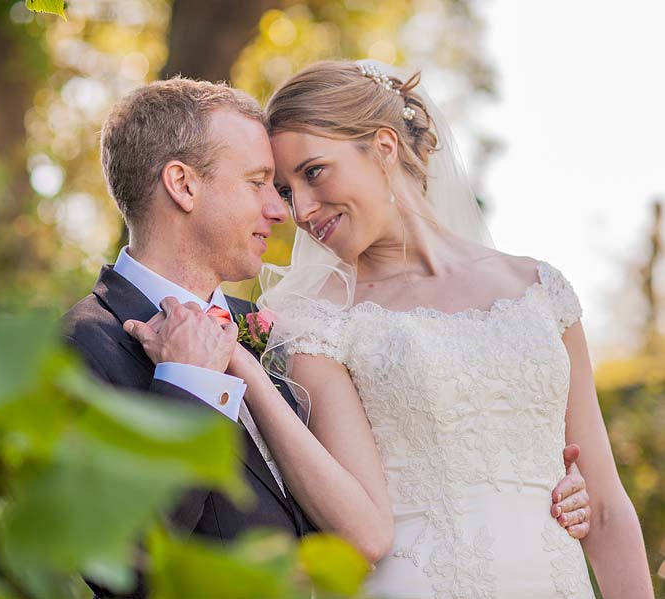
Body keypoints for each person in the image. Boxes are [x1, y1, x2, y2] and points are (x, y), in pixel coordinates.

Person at [64, 75, 593, 599]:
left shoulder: (277, 327)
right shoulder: (84, 346)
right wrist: (189, 381)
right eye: (258, 183)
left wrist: (534, 491)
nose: (282, 211)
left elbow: (385, 479)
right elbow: (120, 564)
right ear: (183, 185)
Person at [223, 59, 651, 598]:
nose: (302, 210)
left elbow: (606, 505)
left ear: (382, 146)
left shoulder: (541, 290)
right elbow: (353, 521)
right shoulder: (315, 322)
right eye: (285, 192)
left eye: (313, 172)